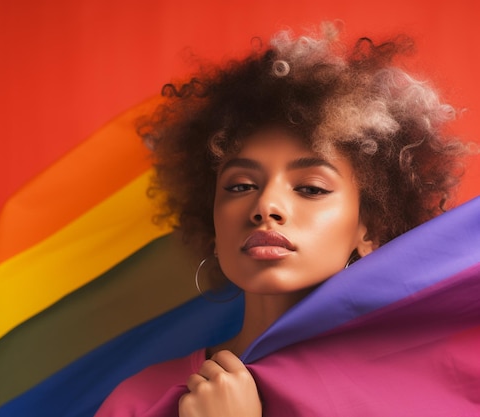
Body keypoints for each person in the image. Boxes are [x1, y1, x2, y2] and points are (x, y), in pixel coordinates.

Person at [95, 23, 473, 417]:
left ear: (371, 228)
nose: (265, 206)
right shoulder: (142, 402)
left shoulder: (423, 393)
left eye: (310, 188)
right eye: (240, 186)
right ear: (211, 222)